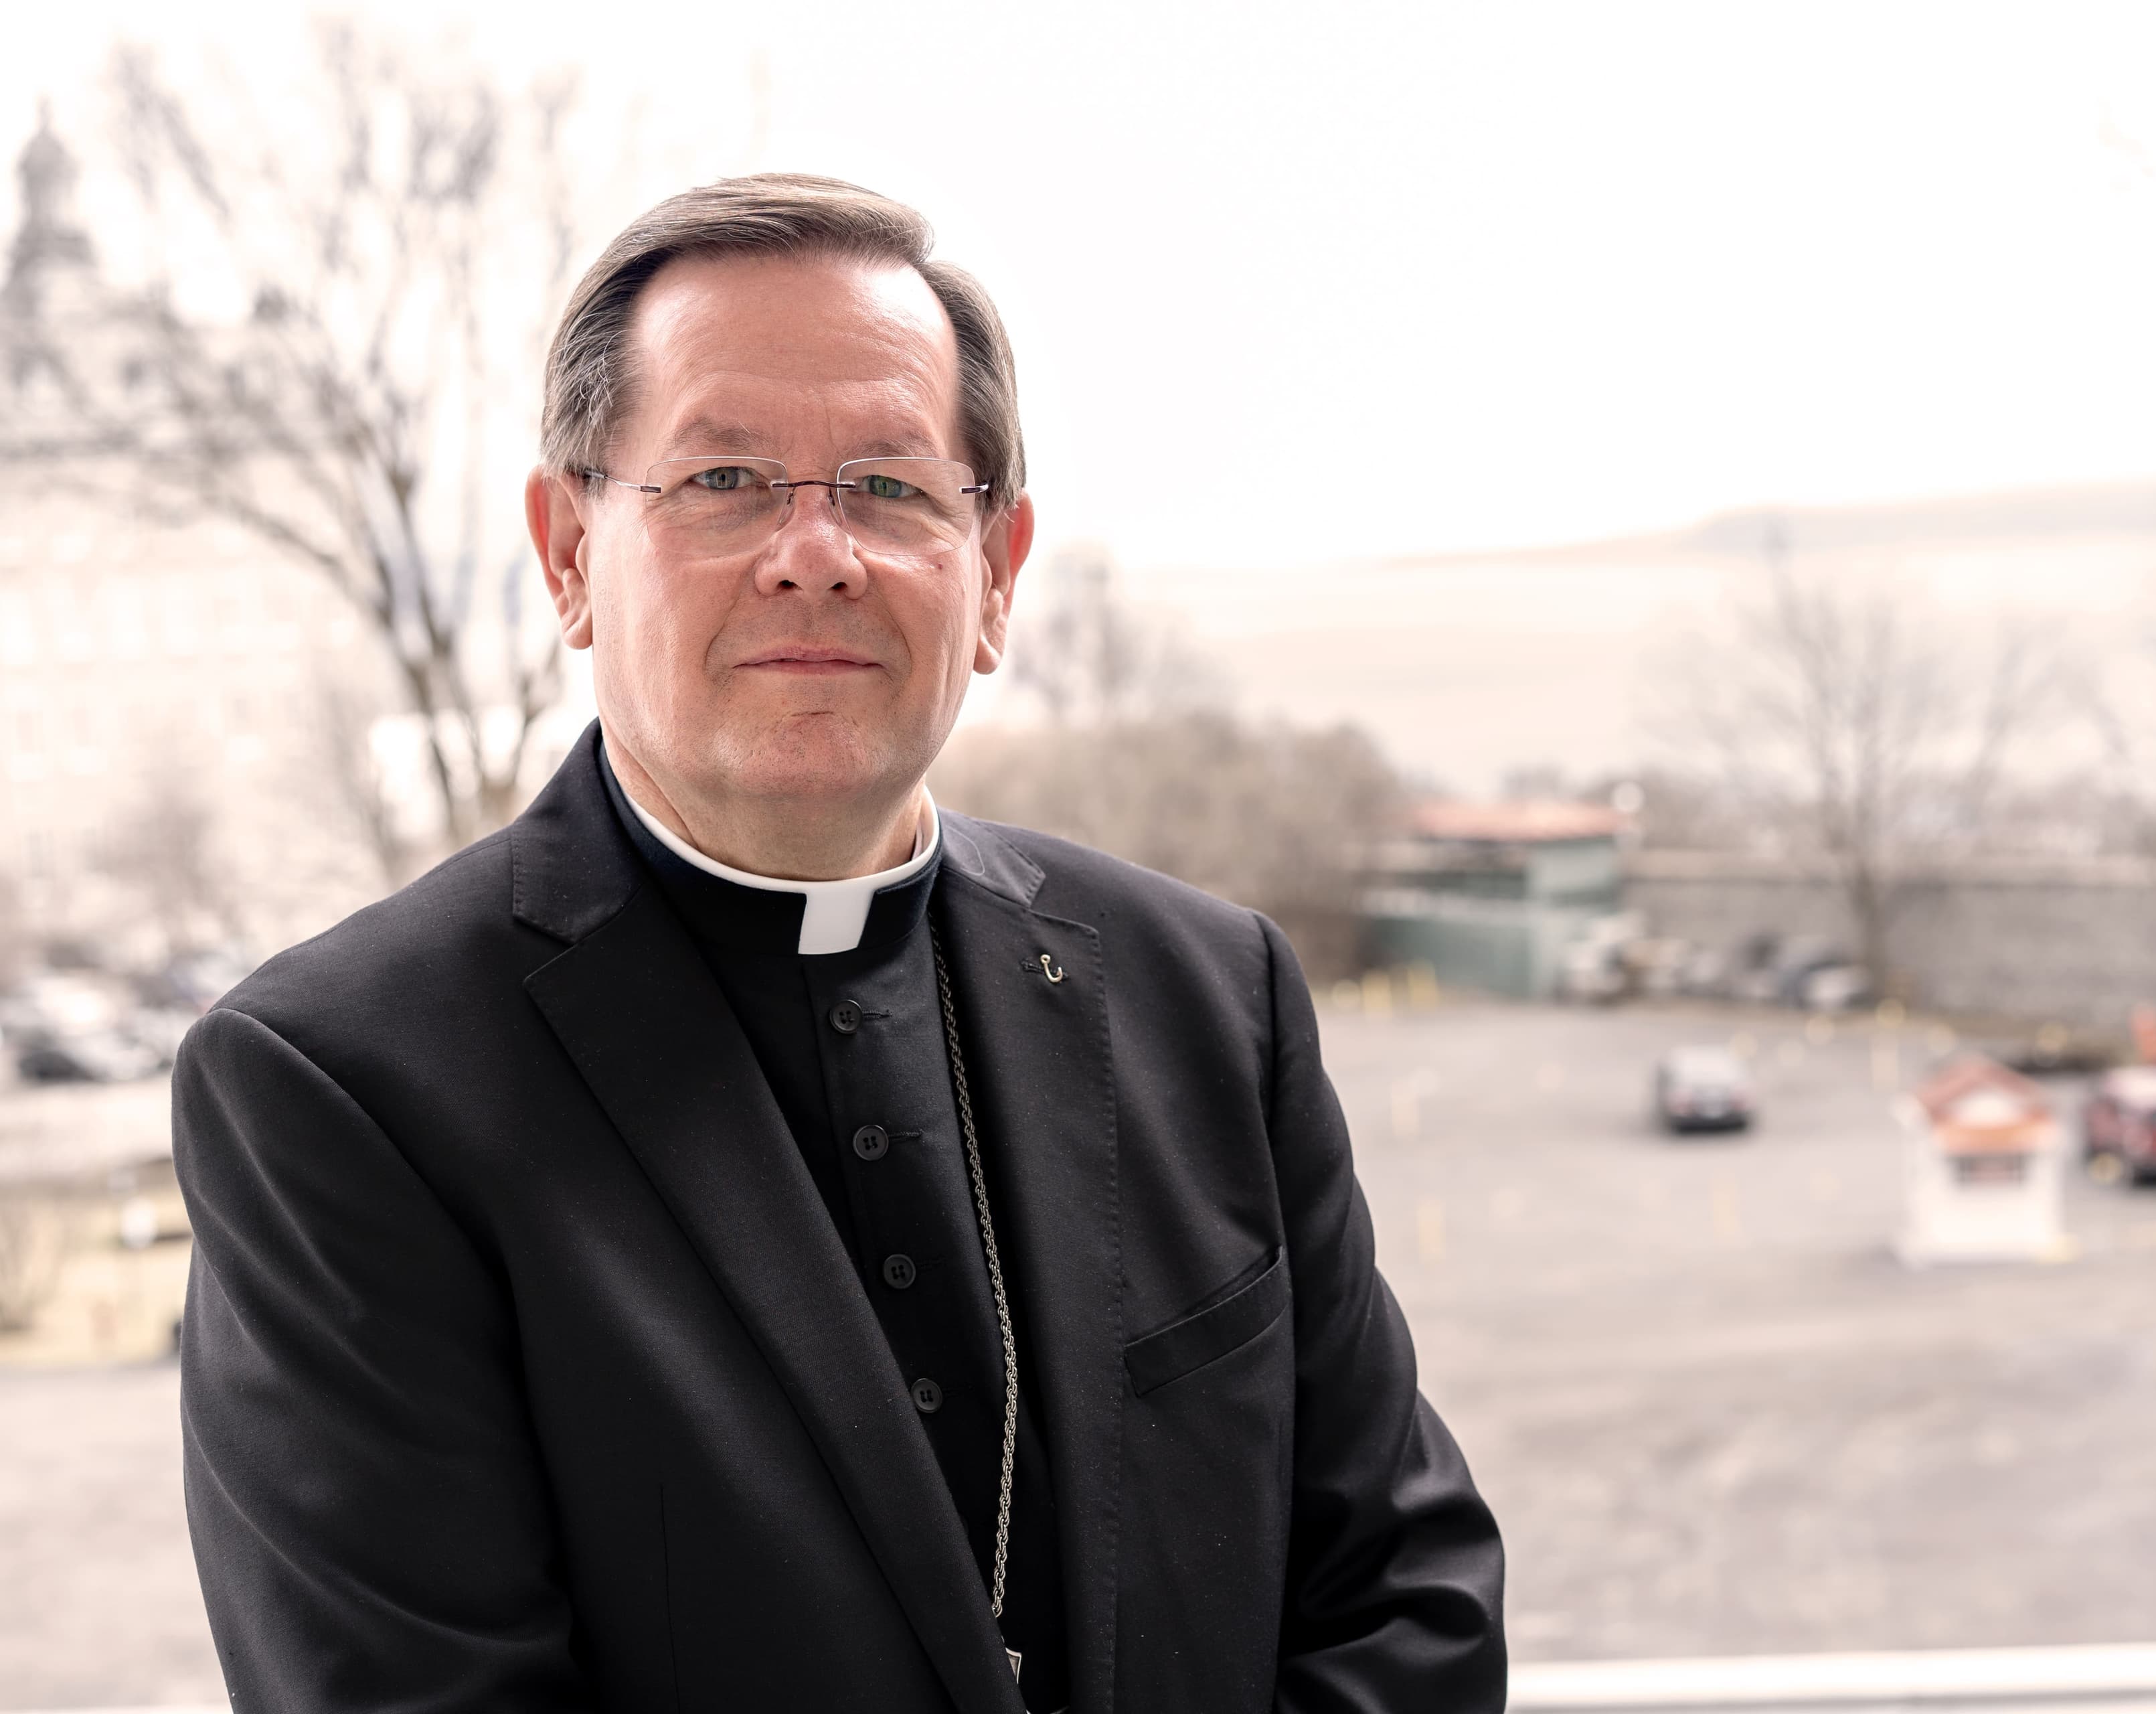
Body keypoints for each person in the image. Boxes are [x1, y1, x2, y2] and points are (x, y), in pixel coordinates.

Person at [172, 174, 1505, 1713]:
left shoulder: (1211, 993)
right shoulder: (342, 1089)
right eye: (725, 477)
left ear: (994, 573)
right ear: (566, 553)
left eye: (888, 485)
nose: (817, 553)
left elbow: (1409, 1600)